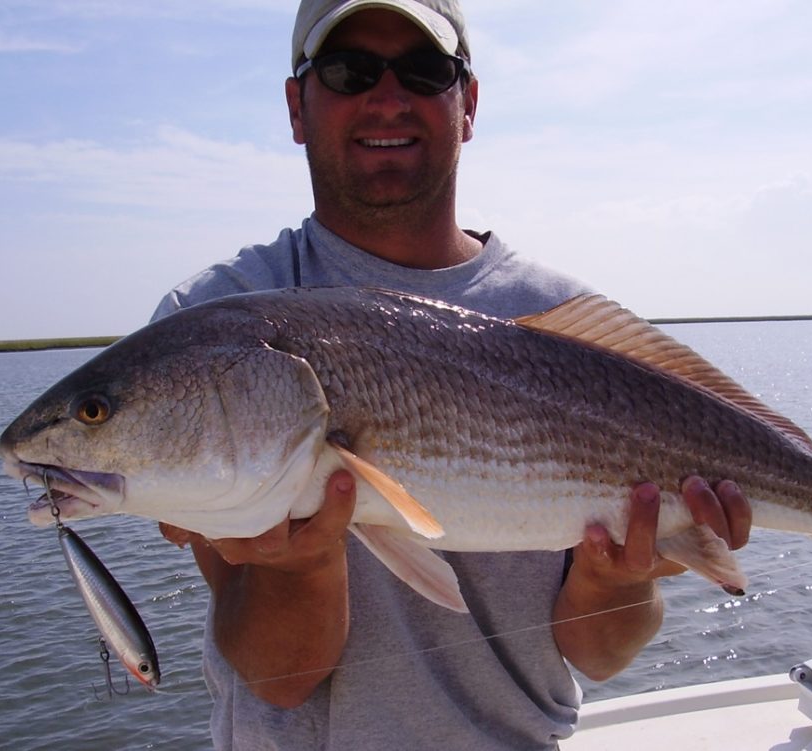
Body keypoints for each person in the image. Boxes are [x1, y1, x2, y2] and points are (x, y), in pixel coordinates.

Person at [154, 1, 752, 748]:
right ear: (295, 106)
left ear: (466, 103)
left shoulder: (557, 315)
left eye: (426, 69)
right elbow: (282, 677)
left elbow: (598, 653)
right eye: (348, 70)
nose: (386, 96)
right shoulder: (211, 326)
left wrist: (620, 574)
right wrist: (299, 567)